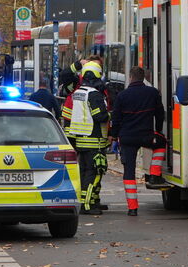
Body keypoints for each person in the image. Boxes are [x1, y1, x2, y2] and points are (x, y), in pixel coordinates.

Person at [109, 67, 168, 217]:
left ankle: (132, 208)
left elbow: (115, 119)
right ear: (144, 78)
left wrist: (114, 136)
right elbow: (160, 113)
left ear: (130, 77)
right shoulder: (152, 92)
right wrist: (158, 131)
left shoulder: (122, 96)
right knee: (161, 143)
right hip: (146, 135)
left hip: (127, 138)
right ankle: (154, 174)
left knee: (129, 172)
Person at [67, 67, 110, 215]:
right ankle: (87, 205)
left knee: (85, 172)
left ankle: (90, 201)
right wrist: (110, 114)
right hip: (94, 141)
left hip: (81, 140)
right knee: (95, 172)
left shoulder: (78, 93)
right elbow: (99, 116)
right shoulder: (94, 95)